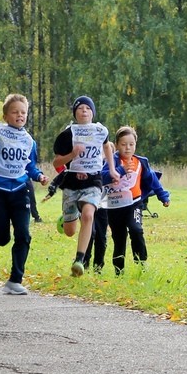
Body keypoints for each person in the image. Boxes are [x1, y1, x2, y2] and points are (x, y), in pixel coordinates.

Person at [0, 93, 50, 295]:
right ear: (6, 115)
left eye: (23, 112)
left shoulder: (29, 141)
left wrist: (39, 176)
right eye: (15, 112)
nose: (20, 115)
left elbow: (30, 166)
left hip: (20, 191)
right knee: (2, 239)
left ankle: (15, 279)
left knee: (23, 234)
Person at [53, 96, 116, 277]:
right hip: (72, 182)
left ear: (93, 112)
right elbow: (56, 161)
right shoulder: (68, 134)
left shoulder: (100, 130)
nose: (84, 111)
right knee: (69, 231)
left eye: (88, 108)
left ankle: (79, 260)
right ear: (75, 113)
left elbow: (107, 148)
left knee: (89, 215)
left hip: (93, 181)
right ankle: (66, 218)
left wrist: (111, 169)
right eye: (80, 108)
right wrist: (72, 154)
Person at [100, 126, 167, 275]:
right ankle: (119, 270)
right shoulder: (112, 161)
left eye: (131, 144)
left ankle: (141, 263)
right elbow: (102, 177)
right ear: (116, 145)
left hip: (134, 204)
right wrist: (121, 170)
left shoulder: (141, 162)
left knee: (136, 230)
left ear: (135, 145)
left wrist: (163, 196)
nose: (127, 148)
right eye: (123, 144)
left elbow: (152, 179)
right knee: (119, 238)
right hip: (115, 206)